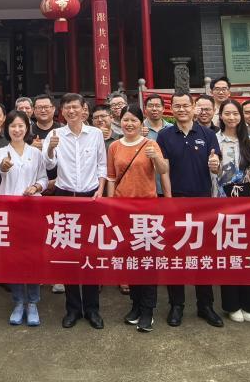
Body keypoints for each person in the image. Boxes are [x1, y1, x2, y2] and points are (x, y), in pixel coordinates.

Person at [156, 93, 223, 328]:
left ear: (194, 108)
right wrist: (168, 199)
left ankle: (206, 305)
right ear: (171, 109)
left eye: (186, 105)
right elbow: (163, 170)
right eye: (177, 106)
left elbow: (217, 167)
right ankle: (177, 305)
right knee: (175, 255)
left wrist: (215, 165)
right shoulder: (165, 135)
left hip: (203, 202)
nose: (182, 109)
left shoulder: (208, 134)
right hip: (176, 201)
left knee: (202, 255)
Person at [43, 92, 108, 329]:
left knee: (90, 252)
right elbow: (48, 164)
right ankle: (72, 308)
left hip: (90, 196)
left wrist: (100, 190)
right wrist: (51, 149)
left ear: (84, 110)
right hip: (64, 195)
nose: (71, 111)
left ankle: (92, 309)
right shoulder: (55, 134)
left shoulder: (96, 134)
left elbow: (102, 165)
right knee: (68, 253)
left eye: (75, 107)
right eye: (67, 108)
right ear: (62, 112)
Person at [107, 104, 170, 332]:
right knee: (130, 260)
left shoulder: (151, 144)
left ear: (141, 122)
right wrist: (111, 206)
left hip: (147, 210)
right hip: (123, 210)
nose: (129, 123)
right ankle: (135, 305)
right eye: (126, 119)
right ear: (120, 122)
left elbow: (163, 170)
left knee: (147, 262)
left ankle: (147, 310)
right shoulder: (114, 146)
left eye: (134, 120)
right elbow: (111, 178)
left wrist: (156, 158)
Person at [0, 110, 47, 326]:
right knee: (14, 258)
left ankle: (33, 302)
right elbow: (2, 168)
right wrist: (5, 166)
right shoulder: (2, 151)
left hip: (32, 210)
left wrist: (36, 187)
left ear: (27, 128)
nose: (17, 130)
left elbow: (43, 178)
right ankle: (18, 302)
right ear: (7, 129)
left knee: (33, 257)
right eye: (13, 126)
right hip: (9, 212)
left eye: (21, 126)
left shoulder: (36, 152)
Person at [215, 99, 250, 323]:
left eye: (235, 113)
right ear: (221, 116)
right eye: (227, 113)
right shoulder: (214, 140)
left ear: (240, 116)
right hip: (221, 202)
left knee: (247, 252)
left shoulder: (249, 141)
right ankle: (232, 305)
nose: (231, 117)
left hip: (246, 202)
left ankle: (249, 304)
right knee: (228, 252)